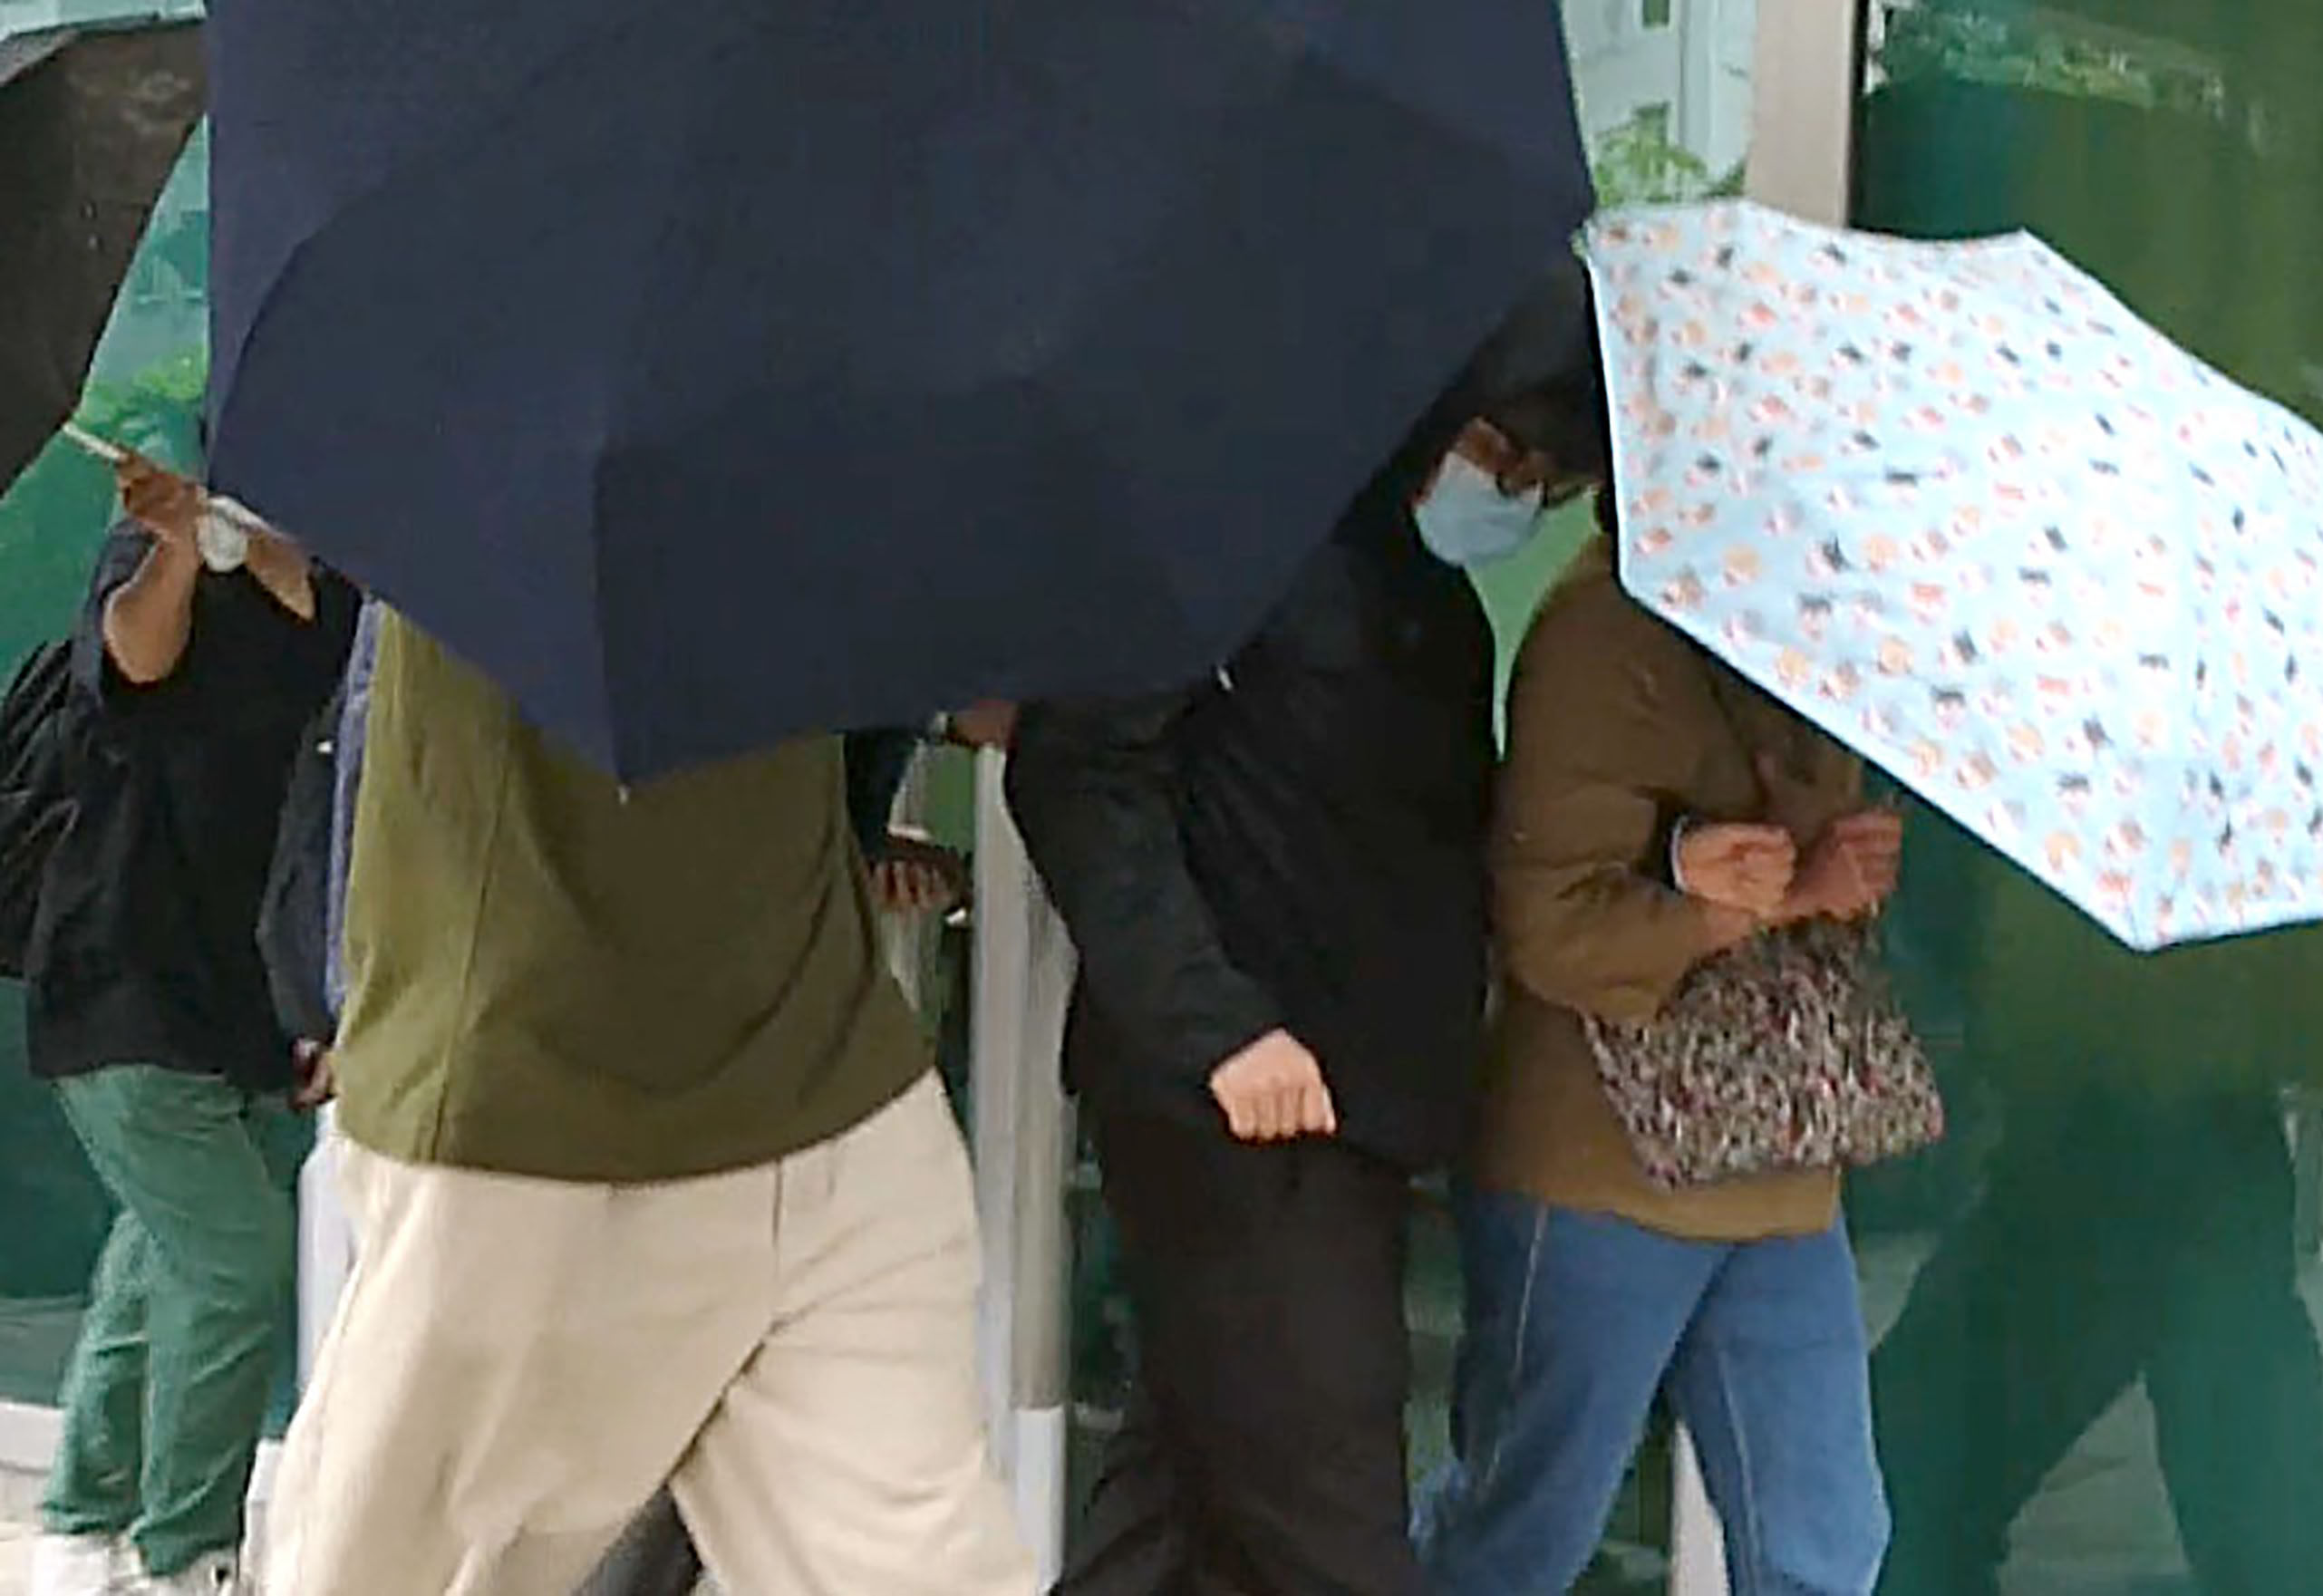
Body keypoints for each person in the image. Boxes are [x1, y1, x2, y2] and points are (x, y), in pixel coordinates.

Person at [1007, 259, 1606, 1596]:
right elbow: (1075, 772)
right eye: (1501, 452)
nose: (1511, 493)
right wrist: (1223, 1029)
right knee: (1332, 1535)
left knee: (1179, 1509)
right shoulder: (1233, 535)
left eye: (1546, 483)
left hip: (1349, 1118)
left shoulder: (1426, 602)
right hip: (1245, 1119)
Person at [257, 612, 1034, 1595]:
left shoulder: (841, 491)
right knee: (391, 1566)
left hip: (831, 1090)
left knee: (926, 1570)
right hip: (529, 1119)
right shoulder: (466, 496)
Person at [1415, 535, 1900, 1595]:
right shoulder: (1601, 631)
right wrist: (1723, 893)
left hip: (1775, 1166)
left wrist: (1826, 873)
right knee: (1521, 1532)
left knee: (1828, 1538)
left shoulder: (1811, 633)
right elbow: (1549, 924)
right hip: (1601, 1165)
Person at [1872, 815, 2323, 1595]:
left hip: (2077, 1165)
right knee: (2262, 1494)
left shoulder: (2036, 811)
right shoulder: (2250, 837)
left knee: (1919, 1469)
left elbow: (1970, 977)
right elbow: (2321, 1040)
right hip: (2212, 1172)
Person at [25, 458, 359, 1596]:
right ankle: (189, 1553)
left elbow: (355, 801)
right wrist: (176, 544)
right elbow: (133, 660)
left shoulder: (358, 594)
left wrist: (329, 997)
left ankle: (79, 1522)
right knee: (234, 1260)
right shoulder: (167, 553)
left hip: (260, 997)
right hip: (124, 974)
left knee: (161, 1254)